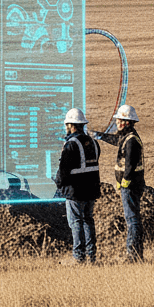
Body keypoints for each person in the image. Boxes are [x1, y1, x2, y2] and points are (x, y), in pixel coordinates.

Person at [95, 104, 144, 261]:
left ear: (127, 122)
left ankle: (133, 255)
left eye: (119, 120)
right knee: (132, 218)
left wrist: (124, 182)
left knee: (132, 219)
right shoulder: (127, 137)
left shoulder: (131, 141)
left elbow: (130, 165)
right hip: (130, 185)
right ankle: (135, 254)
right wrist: (97, 135)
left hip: (130, 186)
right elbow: (114, 139)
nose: (116, 123)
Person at [54, 107, 101, 265]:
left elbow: (63, 170)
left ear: (71, 125)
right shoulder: (93, 143)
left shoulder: (71, 144)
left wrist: (58, 184)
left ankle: (78, 256)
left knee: (76, 222)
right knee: (88, 220)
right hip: (91, 189)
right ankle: (91, 255)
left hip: (75, 191)